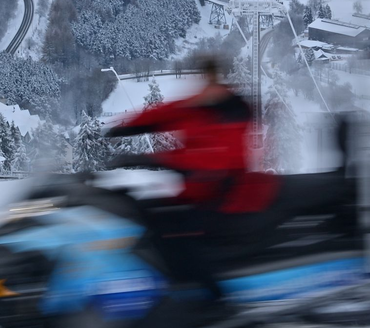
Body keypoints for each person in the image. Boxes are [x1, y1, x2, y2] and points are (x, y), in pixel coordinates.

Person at [107, 58, 280, 296]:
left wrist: (154, 159)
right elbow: (166, 113)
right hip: (197, 191)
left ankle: (215, 299)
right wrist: (123, 127)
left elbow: (214, 159)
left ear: (224, 82)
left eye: (214, 79)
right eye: (205, 78)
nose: (209, 85)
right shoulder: (201, 105)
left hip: (227, 193)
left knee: (180, 235)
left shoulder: (233, 113)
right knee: (149, 215)